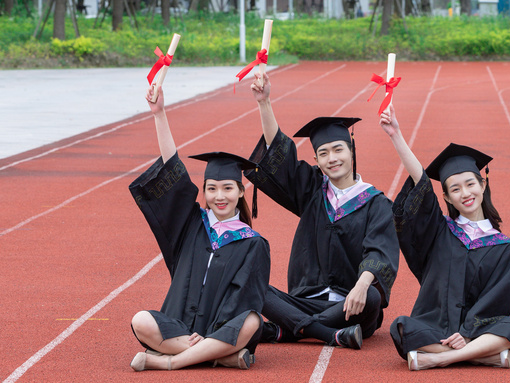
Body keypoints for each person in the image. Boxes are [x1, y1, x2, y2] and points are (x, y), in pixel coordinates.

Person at [243, 74, 399, 350]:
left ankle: (289, 330)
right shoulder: (313, 190)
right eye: (324, 153)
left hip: (351, 304)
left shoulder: (376, 203)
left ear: (351, 151)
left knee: (372, 297)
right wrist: (264, 102)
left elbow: (380, 251)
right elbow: (282, 157)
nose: (332, 159)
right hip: (307, 299)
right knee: (249, 282)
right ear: (316, 159)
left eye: (338, 150)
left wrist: (362, 285)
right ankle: (326, 333)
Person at [380, 106, 510, 371]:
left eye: (470, 184)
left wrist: (466, 333)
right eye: (455, 189)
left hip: (478, 330)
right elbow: (421, 185)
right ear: (447, 197)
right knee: (402, 327)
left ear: (482, 185)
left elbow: (497, 299)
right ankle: (482, 355)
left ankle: (441, 358)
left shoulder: (504, 248)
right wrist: (396, 135)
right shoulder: (440, 231)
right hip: (435, 325)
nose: (465, 193)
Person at [129, 85, 271, 371]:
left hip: (220, 329)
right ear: (204, 191)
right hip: (181, 326)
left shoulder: (253, 243)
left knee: (252, 321)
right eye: (212, 188)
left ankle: (170, 362)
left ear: (241, 191)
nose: (220, 196)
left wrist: (214, 332)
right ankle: (219, 356)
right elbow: (173, 172)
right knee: (140, 320)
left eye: (228, 188)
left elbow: (244, 298)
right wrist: (159, 114)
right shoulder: (193, 223)